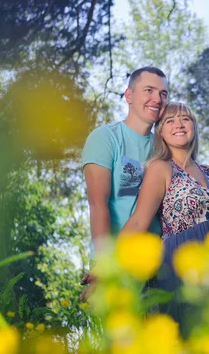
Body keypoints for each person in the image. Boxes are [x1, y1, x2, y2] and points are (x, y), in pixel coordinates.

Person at [120, 101, 209, 335]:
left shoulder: (208, 171)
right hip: (182, 263)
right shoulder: (160, 168)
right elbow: (139, 220)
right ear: (160, 133)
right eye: (169, 121)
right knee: (195, 336)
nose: (178, 124)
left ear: (194, 126)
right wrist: (104, 268)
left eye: (185, 119)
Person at [80, 66, 169, 299]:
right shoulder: (105, 138)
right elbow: (97, 204)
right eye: (149, 90)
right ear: (129, 96)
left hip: (160, 263)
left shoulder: (164, 148)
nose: (157, 99)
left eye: (163, 94)